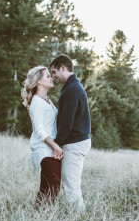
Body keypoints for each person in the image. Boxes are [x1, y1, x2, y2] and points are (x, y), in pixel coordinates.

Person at [50, 54, 91, 209]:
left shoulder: (72, 89)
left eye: (54, 72)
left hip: (75, 143)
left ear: (63, 68)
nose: (53, 77)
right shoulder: (72, 87)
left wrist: (57, 145)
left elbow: (67, 122)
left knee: (71, 186)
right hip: (76, 141)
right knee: (70, 184)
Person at [21, 65, 64, 208]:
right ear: (39, 81)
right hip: (45, 151)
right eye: (47, 76)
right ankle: (43, 218)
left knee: (46, 189)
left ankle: (36, 217)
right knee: (53, 187)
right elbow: (39, 130)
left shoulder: (47, 100)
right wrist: (56, 147)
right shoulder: (37, 102)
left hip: (51, 150)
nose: (51, 78)